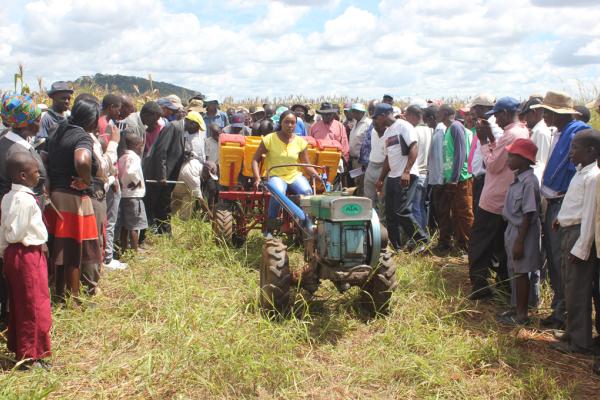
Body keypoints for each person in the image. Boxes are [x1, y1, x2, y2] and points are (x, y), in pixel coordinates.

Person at [530, 91, 591, 329]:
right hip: (555, 203)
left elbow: (576, 172)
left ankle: (563, 315)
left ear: (557, 113)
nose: (544, 116)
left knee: (561, 261)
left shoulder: (576, 133)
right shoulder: (562, 133)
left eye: (547, 112)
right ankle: (559, 310)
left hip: (563, 205)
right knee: (556, 262)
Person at [468, 97, 529, 300]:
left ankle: (480, 286)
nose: (495, 120)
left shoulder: (511, 134)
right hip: (507, 197)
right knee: (500, 244)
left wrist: (484, 141)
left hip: (495, 197)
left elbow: (493, 165)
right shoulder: (520, 131)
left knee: (481, 242)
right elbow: (502, 159)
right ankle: (504, 284)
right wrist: (492, 141)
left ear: (504, 113)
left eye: (496, 115)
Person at [46, 98, 101, 302]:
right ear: (91, 119)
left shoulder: (56, 130)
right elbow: (82, 160)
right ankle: (73, 300)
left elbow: (44, 158)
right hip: (73, 199)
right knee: (74, 252)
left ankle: (58, 295)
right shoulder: (82, 136)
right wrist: (86, 180)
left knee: (59, 249)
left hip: (55, 196)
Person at [551, 129, 600, 354]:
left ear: (590, 151)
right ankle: (571, 333)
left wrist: (581, 248)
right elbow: (574, 204)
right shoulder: (581, 173)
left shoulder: (593, 177)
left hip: (578, 237)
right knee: (569, 287)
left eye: (575, 148)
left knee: (578, 291)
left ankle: (580, 341)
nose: (570, 153)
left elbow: (590, 216)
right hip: (568, 231)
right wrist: (559, 220)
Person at [0, 152, 51, 370]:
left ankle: (24, 349)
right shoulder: (25, 200)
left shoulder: (8, 197)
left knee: (22, 303)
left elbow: (4, 233)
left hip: (15, 254)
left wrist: (4, 256)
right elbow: (16, 233)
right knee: (33, 304)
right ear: (22, 175)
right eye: (35, 171)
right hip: (26, 254)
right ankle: (31, 357)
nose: (38, 174)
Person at [0, 94, 46, 328]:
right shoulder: (16, 150)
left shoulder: (6, 142)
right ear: (27, 123)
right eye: (38, 118)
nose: (41, 122)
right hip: (17, 222)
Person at [251, 110, 318, 235]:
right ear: (280, 123)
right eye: (287, 122)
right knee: (278, 193)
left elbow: (306, 165)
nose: (290, 125)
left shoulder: (300, 142)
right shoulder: (269, 139)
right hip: (276, 175)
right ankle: (270, 227)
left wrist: (317, 175)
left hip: (294, 175)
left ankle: (307, 223)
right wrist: (257, 178)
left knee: (307, 192)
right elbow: (255, 159)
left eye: (293, 123)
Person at [497, 139, 542, 326]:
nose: (508, 160)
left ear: (523, 159)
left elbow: (528, 213)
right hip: (512, 229)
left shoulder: (529, 182)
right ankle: (516, 307)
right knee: (514, 270)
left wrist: (520, 241)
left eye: (512, 156)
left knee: (522, 272)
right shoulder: (518, 179)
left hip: (522, 232)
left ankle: (522, 314)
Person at [375, 103, 428, 251]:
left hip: (406, 175)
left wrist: (406, 171)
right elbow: (388, 158)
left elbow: (413, 147)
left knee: (402, 210)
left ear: (384, 115)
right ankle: (397, 247)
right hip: (392, 176)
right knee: (391, 214)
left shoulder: (404, 126)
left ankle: (421, 240)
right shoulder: (387, 133)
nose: (376, 121)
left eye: (377, 117)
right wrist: (381, 179)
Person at [143, 111, 187, 235]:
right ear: (192, 123)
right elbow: (162, 150)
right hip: (159, 176)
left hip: (166, 177)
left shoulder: (180, 129)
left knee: (163, 205)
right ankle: (148, 234)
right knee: (154, 205)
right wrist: (161, 175)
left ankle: (164, 233)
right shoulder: (173, 127)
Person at [436, 105, 473, 252]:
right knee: (455, 213)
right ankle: (461, 244)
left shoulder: (456, 127)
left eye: (439, 112)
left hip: (461, 178)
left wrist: (454, 179)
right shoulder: (447, 129)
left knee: (464, 213)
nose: (436, 114)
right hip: (452, 179)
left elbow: (460, 153)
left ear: (445, 113)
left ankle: (471, 246)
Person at [467, 94, 503, 213]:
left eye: (475, 108)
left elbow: (496, 151)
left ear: (483, 108)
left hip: (486, 178)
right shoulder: (483, 124)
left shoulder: (493, 126)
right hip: (480, 178)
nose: (472, 112)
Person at [118, 135, 148, 253]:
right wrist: (137, 181)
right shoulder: (134, 157)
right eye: (141, 146)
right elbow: (131, 171)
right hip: (134, 194)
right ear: (137, 146)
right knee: (134, 225)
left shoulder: (122, 157)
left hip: (124, 193)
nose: (141, 148)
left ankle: (124, 249)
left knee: (125, 225)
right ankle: (135, 251)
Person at [408, 104, 432, 232]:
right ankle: (424, 234)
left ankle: (419, 237)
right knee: (421, 206)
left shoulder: (414, 131)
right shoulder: (430, 130)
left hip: (416, 173)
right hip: (426, 173)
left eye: (407, 116)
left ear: (412, 116)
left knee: (414, 207)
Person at [520, 96, 553, 182]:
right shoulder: (536, 131)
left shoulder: (541, 132)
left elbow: (540, 164)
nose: (526, 119)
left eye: (526, 115)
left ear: (534, 112)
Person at [425, 105, 445, 232]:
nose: (426, 124)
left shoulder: (441, 131)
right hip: (435, 177)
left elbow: (442, 157)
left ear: (432, 118)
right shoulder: (436, 130)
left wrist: (441, 179)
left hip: (440, 179)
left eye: (427, 120)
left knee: (441, 208)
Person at [348, 103, 372, 192]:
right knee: (357, 183)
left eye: (357, 112)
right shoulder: (355, 123)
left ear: (362, 112)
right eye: (353, 112)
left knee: (362, 185)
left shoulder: (368, 123)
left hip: (362, 161)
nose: (354, 114)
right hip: (354, 160)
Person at [203, 123, 221, 209]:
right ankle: (210, 210)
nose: (217, 135)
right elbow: (206, 157)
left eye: (219, 133)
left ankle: (216, 210)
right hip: (211, 169)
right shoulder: (208, 142)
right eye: (215, 133)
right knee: (212, 189)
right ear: (211, 133)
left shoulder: (224, 141)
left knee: (219, 190)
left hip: (221, 169)